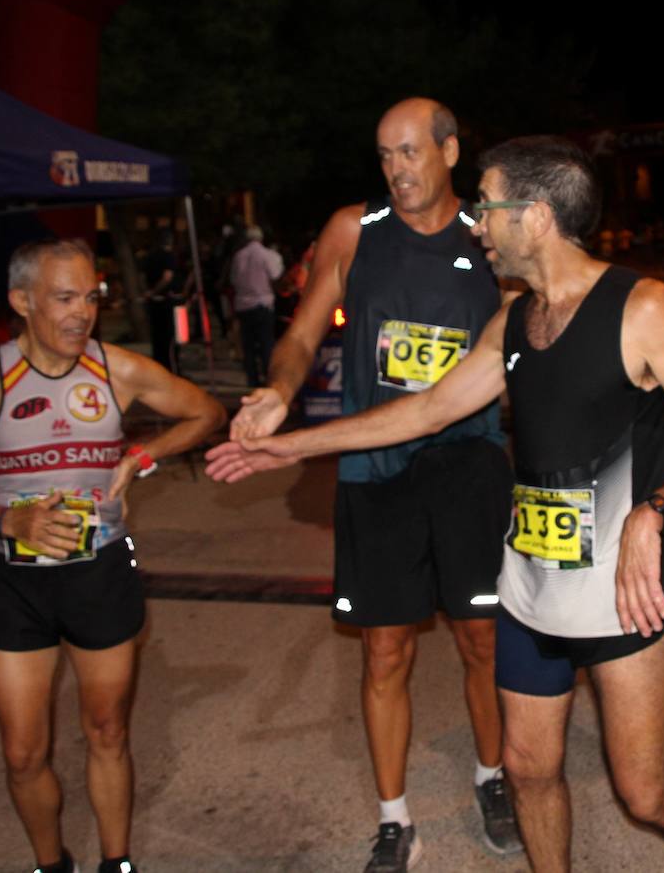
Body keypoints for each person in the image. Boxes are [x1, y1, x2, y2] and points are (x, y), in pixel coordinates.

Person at [208, 135, 664, 873]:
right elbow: (426, 411)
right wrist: (290, 446)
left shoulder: (642, 307)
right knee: (529, 771)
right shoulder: (512, 323)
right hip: (529, 589)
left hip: (619, 596)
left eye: (487, 205)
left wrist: (655, 510)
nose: (475, 224)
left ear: (533, 217)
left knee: (646, 793)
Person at [218, 98, 520, 872]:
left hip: (468, 465)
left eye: (412, 152)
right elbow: (301, 334)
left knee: (482, 639)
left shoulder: (490, 240)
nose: (398, 170)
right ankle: (395, 821)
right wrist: (279, 392)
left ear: (450, 151)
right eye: (385, 156)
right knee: (384, 651)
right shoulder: (355, 231)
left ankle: (494, 776)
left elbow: (522, 352)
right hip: (375, 470)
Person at [0, 239, 225, 873]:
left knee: (108, 732)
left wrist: (141, 456)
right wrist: (8, 520)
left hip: (101, 575)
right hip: (18, 583)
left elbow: (206, 410)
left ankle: (117, 862)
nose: (81, 313)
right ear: (22, 301)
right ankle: (50, 863)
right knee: (24, 753)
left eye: (90, 296)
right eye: (64, 298)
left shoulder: (116, 369)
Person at [228, 225, 284, 387]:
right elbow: (276, 275)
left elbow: (233, 280)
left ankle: (252, 379)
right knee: (266, 342)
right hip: (262, 303)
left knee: (248, 345)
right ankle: (268, 377)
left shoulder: (239, 256)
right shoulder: (266, 255)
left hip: (243, 305)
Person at [142, 231, 178, 372]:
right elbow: (167, 277)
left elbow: (142, 275)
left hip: (154, 302)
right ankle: (171, 369)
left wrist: (149, 292)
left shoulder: (150, 256)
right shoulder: (169, 256)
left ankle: (159, 367)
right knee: (169, 338)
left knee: (157, 338)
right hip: (166, 300)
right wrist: (156, 291)